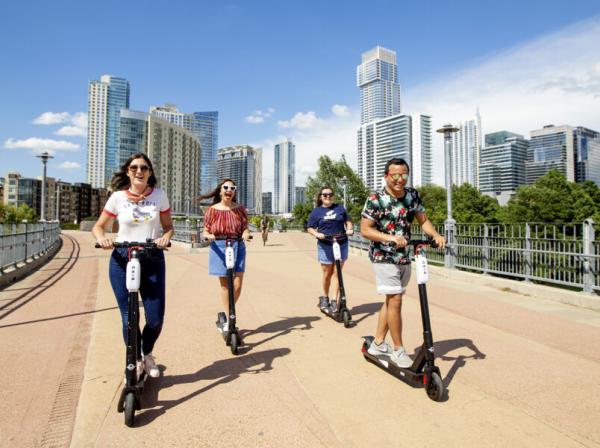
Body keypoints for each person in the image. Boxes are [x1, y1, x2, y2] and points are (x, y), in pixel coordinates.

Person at [92, 153, 173, 378]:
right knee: (129, 316)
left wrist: (165, 237)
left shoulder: (159, 196)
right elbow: (99, 226)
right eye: (135, 167)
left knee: (155, 318)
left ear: (150, 172)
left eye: (144, 168)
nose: (139, 171)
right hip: (121, 258)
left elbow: (168, 227)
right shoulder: (117, 197)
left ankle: (147, 353)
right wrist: (102, 238)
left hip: (152, 257)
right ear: (128, 171)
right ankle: (135, 360)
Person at [360, 158, 445, 368]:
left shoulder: (412, 195)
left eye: (404, 175)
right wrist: (390, 238)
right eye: (395, 175)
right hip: (383, 255)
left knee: (391, 300)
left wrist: (435, 235)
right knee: (396, 299)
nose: (400, 179)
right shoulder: (375, 198)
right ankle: (398, 349)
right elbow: (365, 230)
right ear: (386, 176)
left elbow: (422, 220)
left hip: (404, 254)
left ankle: (378, 343)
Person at [199, 179, 250, 332]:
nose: (229, 190)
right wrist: (208, 236)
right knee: (225, 285)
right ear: (220, 191)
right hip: (219, 247)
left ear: (234, 191)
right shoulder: (212, 210)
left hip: (237, 245)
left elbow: (245, 227)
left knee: (237, 285)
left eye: (232, 188)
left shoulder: (240, 209)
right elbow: (205, 231)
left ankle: (228, 316)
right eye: (225, 187)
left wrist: (246, 233)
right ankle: (230, 320)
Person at [307, 186, 354, 309]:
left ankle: (334, 300)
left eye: (330, 194)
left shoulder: (339, 208)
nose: (328, 196)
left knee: (337, 272)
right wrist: (317, 234)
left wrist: (349, 228)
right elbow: (310, 227)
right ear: (321, 197)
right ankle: (325, 297)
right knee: (327, 273)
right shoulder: (316, 212)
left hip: (341, 243)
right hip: (325, 245)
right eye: (325, 195)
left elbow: (348, 220)